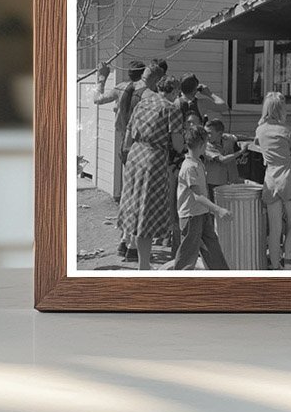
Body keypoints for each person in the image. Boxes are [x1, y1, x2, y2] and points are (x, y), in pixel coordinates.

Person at [117, 63, 183, 268]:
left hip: (135, 156)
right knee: (146, 212)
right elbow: (178, 145)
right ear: (171, 91)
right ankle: (144, 265)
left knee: (134, 208)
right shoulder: (170, 109)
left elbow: (128, 136)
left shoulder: (142, 104)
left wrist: (131, 153)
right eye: (176, 93)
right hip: (154, 159)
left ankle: (134, 253)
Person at [255, 92, 291, 271]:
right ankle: (288, 266)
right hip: (290, 179)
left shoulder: (260, 130)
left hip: (271, 180)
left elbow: (261, 151)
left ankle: (275, 266)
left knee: (275, 229)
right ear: (280, 109)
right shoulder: (286, 131)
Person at [174, 124, 232, 271]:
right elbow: (198, 196)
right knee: (188, 253)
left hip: (201, 213)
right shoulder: (189, 167)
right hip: (191, 216)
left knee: (212, 247)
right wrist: (218, 210)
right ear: (202, 145)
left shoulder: (198, 163)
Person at [93, 59, 145, 201]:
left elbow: (97, 99)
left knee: (127, 176)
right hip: (142, 140)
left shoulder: (121, 88)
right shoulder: (147, 92)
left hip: (125, 139)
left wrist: (102, 78)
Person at [204, 117, 242, 200]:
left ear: (220, 133)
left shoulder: (227, 138)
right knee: (216, 209)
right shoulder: (206, 146)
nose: (206, 136)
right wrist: (241, 152)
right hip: (214, 183)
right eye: (205, 133)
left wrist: (255, 140)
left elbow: (238, 137)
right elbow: (222, 160)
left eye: (209, 133)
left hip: (230, 181)